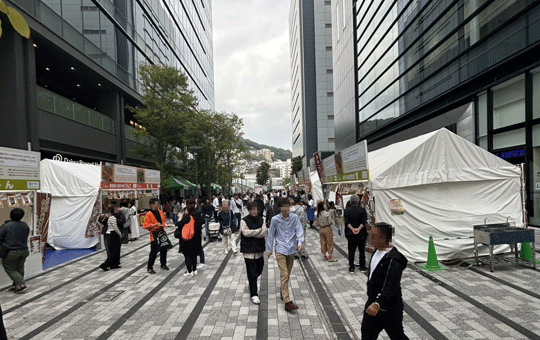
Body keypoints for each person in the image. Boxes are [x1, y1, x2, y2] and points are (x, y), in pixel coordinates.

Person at [362, 222, 409, 340]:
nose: (370, 239)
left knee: (397, 336)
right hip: (372, 304)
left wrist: (378, 303)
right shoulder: (376, 251)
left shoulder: (394, 259)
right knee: (367, 335)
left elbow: (391, 285)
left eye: (373, 236)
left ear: (383, 238)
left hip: (389, 308)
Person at [267, 198, 304, 312]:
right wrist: (269, 249)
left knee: (287, 274)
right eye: (282, 206)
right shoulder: (275, 219)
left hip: (292, 249)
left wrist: (300, 242)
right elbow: (271, 234)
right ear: (279, 208)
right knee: (284, 274)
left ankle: (283, 292)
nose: (285, 208)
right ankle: (287, 302)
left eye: (287, 206)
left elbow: (299, 230)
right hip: (280, 249)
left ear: (290, 206)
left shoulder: (294, 218)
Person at [241, 203, 268, 305]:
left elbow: (264, 233)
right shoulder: (244, 220)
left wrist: (252, 232)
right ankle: (254, 294)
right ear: (248, 210)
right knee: (251, 272)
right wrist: (258, 231)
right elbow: (245, 233)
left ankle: (252, 282)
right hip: (248, 251)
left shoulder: (262, 220)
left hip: (259, 250)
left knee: (259, 270)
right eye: (252, 209)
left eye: (256, 209)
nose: (254, 211)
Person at [0, 208, 30, 293]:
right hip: (24, 250)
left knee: (10, 269)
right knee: (20, 268)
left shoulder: (6, 226)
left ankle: (21, 284)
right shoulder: (25, 225)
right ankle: (16, 285)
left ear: (10, 215)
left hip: (11, 251)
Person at [176, 199, 203, 277]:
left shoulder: (187, 217)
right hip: (196, 239)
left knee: (187, 255)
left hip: (188, 240)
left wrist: (180, 217)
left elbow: (178, 224)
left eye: (186, 210)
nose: (185, 211)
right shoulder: (196, 216)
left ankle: (189, 271)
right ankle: (194, 270)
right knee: (194, 255)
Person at [143, 198, 169, 274]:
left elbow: (163, 222)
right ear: (151, 205)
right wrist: (155, 225)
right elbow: (145, 225)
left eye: (157, 203)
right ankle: (149, 267)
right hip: (154, 235)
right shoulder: (148, 214)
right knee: (154, 251)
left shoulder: (160, 212)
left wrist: (163, 225)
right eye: (155, 203)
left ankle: (163, 264)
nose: (157, 205)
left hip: (162, 233)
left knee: (164, 249)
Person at [344, 194, 368, 273]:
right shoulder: (362, 210)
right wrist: (358, 229)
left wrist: (352, 229)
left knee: (351, 251)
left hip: (350, 234)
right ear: (358, 201)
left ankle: (351, 267)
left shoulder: (347, 211)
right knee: (361, 250)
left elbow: (346, 222)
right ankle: (362, 266)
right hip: (361, 234)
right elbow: (363, 221)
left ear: (350, 202)